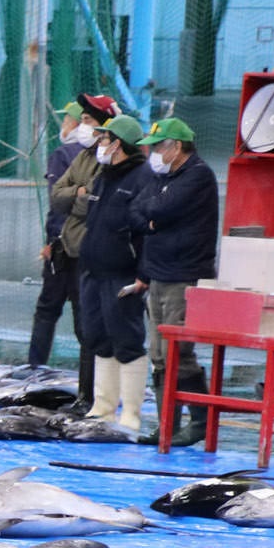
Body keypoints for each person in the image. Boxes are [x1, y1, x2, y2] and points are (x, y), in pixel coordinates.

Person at [133, 116, 218, 445]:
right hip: (158, 273)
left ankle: (199, 421)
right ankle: (167, 424)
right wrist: (151, 216)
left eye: (159, 147)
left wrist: (153, 214)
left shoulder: (198, 175)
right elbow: (137, 208)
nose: (154, 154)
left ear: (177, 146)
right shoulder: (162, 176)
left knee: (177, 352)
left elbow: (161, 209)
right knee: (158, 353)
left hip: (185, 275)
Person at [77, 114, 157, 431]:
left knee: (127, 338)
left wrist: (143, 273)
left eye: (105, 138)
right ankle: (103, 406)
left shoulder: (142, 178)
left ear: (119, 144)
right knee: (97, 336)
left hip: (123, 274)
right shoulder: (104, 176)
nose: (101, 143)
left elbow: (147, 233)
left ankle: (131, 413)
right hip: (94, 271)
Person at [48, 93, 118, 408]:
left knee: (102, 328)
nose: (82, 126)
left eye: (88, 120)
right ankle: (86, 396)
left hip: (102, 257)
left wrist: (78, 196)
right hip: (75, 252)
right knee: (83, 327)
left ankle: (102, 399)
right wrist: (78, 194)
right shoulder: (84, 155)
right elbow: (57, 195)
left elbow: (96, 202)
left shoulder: (116, 160)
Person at [30, 99, 98, 393]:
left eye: (69, 120)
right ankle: (89, 382)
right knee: (84, 313)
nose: (66, 126)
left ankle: (35, 368)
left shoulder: (64, 154)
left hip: (64, 246)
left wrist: (52, 240)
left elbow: (58, 202)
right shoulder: (96, 156)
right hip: (88, 245)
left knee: (49, 307)